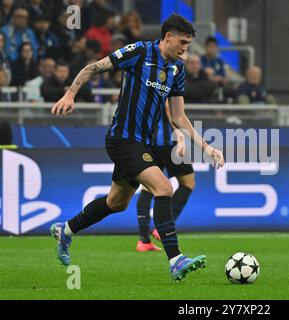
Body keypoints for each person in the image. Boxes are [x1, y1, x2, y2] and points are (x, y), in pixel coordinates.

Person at [49, 14, 224, 281]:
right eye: (183, 42)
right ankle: (176, 259)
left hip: (144, 143)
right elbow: (92, 68)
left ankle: (67, 229)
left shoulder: (176, 70)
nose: (185, 49)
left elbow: (178, 116)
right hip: (122, 139)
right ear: (168, 37)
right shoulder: (139, 52)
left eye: (188, 44)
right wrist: (71, 93)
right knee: (164, 187)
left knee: (116, 203)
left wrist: (206, 147)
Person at [136, 99, 195, 252]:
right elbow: (171, 112)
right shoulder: (165, 79)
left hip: (148, 143)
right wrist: (181, 139)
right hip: (168, 143)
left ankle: (143, 240)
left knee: (147, 187)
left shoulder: (142, 86)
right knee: (187, 183)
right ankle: (163, 226)